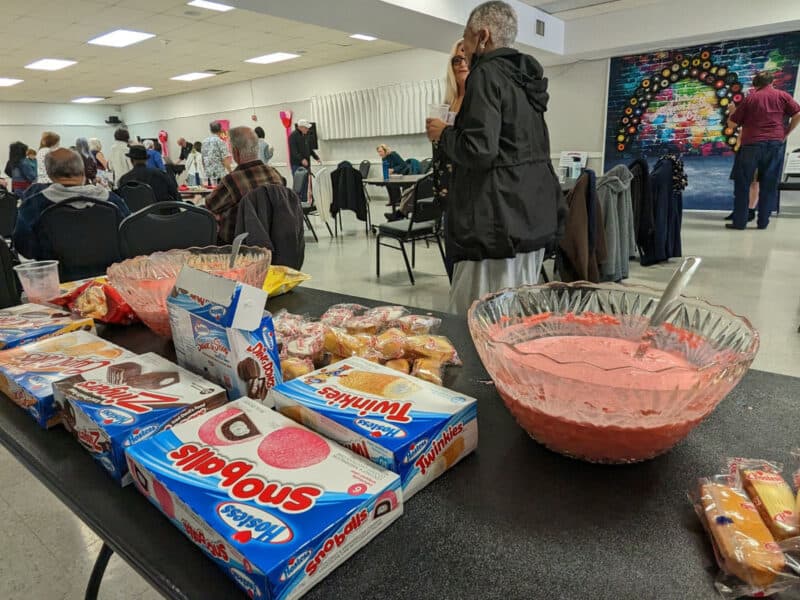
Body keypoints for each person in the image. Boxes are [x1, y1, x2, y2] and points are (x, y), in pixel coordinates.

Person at [426, 0, 558, 315]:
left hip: (492, 225)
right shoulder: (524, 82)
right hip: (529, 218)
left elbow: (479, 150)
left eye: (467, 40)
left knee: (474, 321)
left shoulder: (485, 75)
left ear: (483, 36)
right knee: (514, 317)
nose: (467, 52)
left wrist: (444, 134)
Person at [13, 148, 130, 260]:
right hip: (110, 274)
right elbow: (131, 234)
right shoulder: (112, 200)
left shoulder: (32, 205)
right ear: (82, 170)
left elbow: (25, 248)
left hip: (59, 277)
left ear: (49, 174)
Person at [727, 71, 800, 230]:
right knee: (769, 184)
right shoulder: (783, 96)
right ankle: (763, 222)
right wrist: (786, 133)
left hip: (751, 145)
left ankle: (740, 222)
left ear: (755, 85)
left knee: (743, 183)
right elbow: (797, 114)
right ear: (772, 82)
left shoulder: (751, 99)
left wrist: (732, 110)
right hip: (774, 144)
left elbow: (732, 125)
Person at [205, 126, 284, 244]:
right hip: (273, 240)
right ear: (257, 148)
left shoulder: (232, 181)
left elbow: (210, 205)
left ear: (235, 152)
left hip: (237, 244)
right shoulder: (275, 174)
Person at [433, 39, 469, 279]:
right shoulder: (449, 103)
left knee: (468, 270)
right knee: (453, 266)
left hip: (470, 195)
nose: (462, 64)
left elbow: (474, 148)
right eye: (456, 59)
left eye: (467, 58)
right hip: (448, 193)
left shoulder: (479, 102)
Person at [202, 121, 233, 185]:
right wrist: (231, 172)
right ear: (221, 129)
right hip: (219, 175)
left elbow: (203, 160)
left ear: (211, 130)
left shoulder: (204, 142)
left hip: (208, 175)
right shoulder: (220, 141)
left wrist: (206, 170)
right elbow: (225, 160)